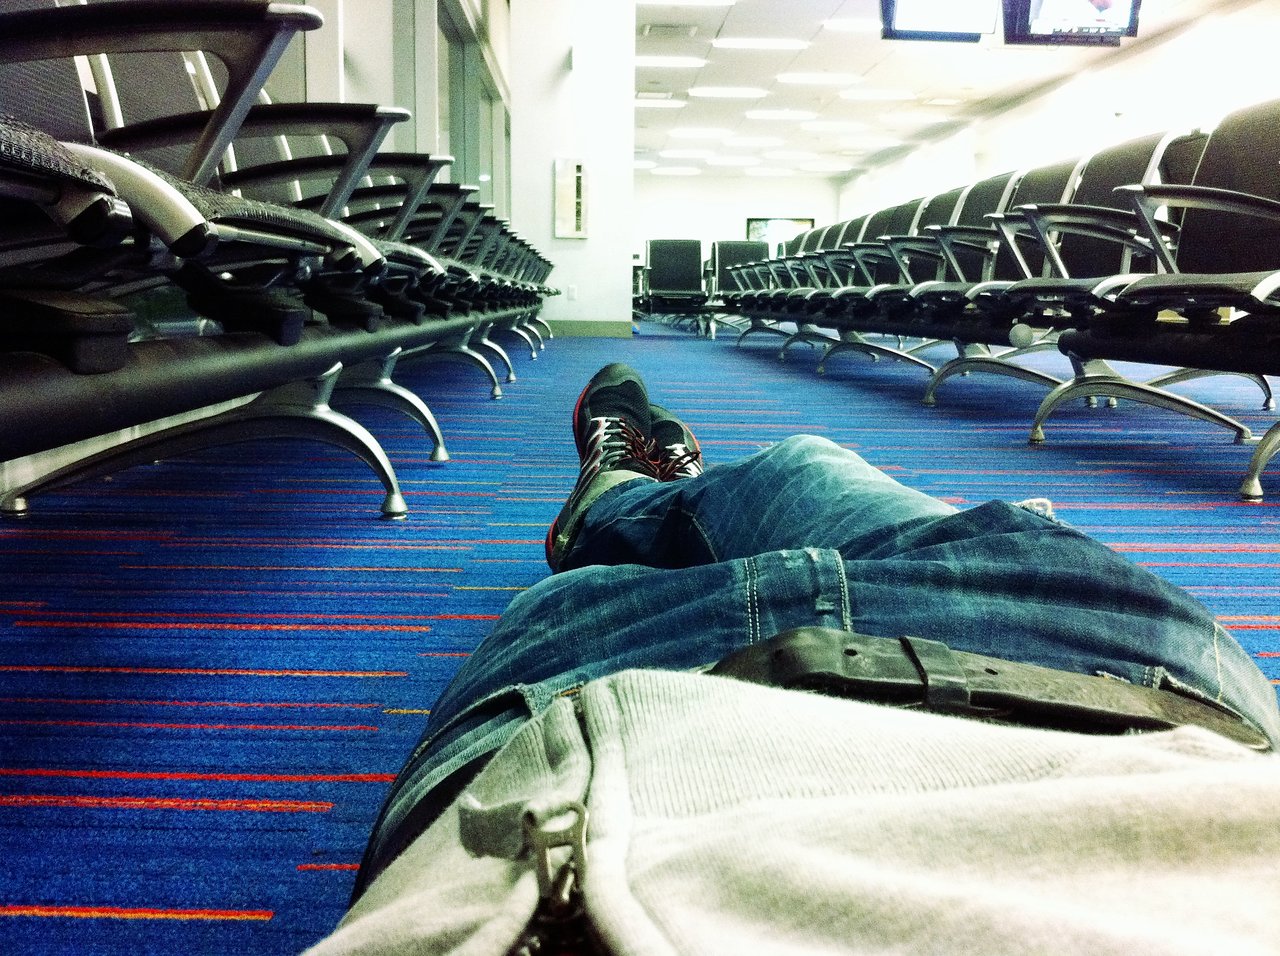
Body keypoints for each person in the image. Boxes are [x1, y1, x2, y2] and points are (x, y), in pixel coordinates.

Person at [309, 363, 1280, 955]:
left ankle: (618, 493)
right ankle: (657, 490)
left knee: (616, 567)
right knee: (805, 467)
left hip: (615, 721)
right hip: (1122, 676)